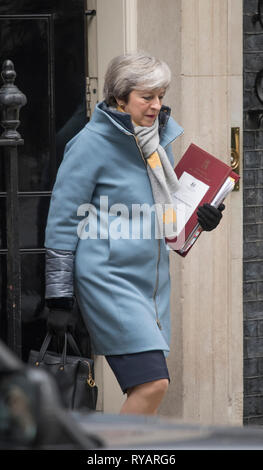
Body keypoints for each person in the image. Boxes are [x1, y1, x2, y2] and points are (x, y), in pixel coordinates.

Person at [44, 52, 224, 415]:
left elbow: (168, 215)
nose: (157, 105)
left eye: (160, 95)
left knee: (152, 385)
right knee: (152, 383)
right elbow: (63, 218)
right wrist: (59, 296)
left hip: (150, 282)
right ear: (119, 99)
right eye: (147, 97)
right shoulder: (89, 143)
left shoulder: (157, 143)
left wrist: (201, 220)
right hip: (108, 278)